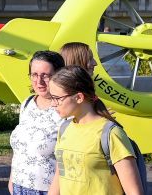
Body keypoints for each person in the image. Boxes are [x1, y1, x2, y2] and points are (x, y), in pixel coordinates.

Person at [47, 67, 143, 195]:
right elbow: (60, 175)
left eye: (57, 98)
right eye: (51, 98)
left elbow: (134, 192)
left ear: (79, 97)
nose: (53, 104)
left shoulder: (111, 134)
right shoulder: (65, 129)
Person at [9, 50, 65, 195]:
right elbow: (21, 149)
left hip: (47, 190)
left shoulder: (65, 109)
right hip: (18, 186)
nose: (39, 81)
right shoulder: (27, 104)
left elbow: (66, 158)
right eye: (34, 74)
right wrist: (11, 181)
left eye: (45, 75)